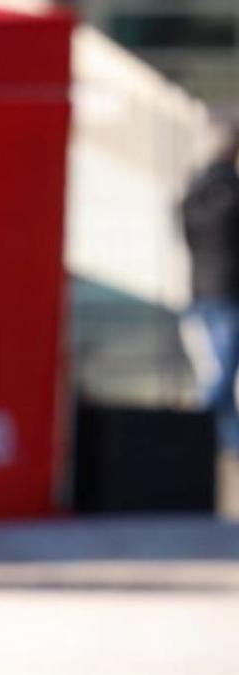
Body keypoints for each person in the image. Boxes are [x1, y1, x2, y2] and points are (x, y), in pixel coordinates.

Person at [180, 126, 239, 514]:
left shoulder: (192, 195)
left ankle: (218, 450)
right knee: (218, 382)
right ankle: (206, 448)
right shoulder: (230, 195)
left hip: (201, 291)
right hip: (227, 293)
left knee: (215, 376)